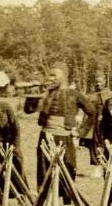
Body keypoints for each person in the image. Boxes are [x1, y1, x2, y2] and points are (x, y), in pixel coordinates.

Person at [35, 64, 90, 192]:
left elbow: (91, 112)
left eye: (53, 75)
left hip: (65, 138)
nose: (50, 78)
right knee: (44, 173)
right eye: (49, 75)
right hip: (45, 137)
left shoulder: (74, 94)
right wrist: (35, 95)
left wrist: (80, 132)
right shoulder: (46, 94)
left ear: (63, 77)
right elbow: (28, 110)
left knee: (67, 173)